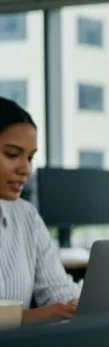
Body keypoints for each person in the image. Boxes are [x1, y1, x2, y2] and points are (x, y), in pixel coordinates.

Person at [0, 97, 79, 324]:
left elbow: (56, 289)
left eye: (30, 157)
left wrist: (75, 303)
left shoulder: (26, 216)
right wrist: (31, 318)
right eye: (12, 154)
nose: (25, 169)